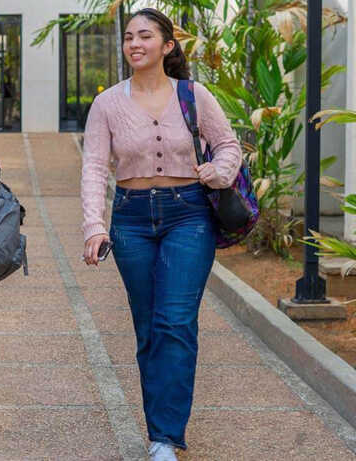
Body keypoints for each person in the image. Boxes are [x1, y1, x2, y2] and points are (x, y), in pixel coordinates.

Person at [81, 8, 241, 461]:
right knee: (149, 326)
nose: (135, 43)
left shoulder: (194, 95)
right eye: (129, 37)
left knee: (175, 322)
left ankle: (166, 437)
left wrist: (219, 171)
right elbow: (94, 168)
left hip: (188, 215)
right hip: (130, 219)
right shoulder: (107, 104)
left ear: (167, 46)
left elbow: (228, 145)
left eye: (145, 36)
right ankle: (159, 431)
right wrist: (94, 227)